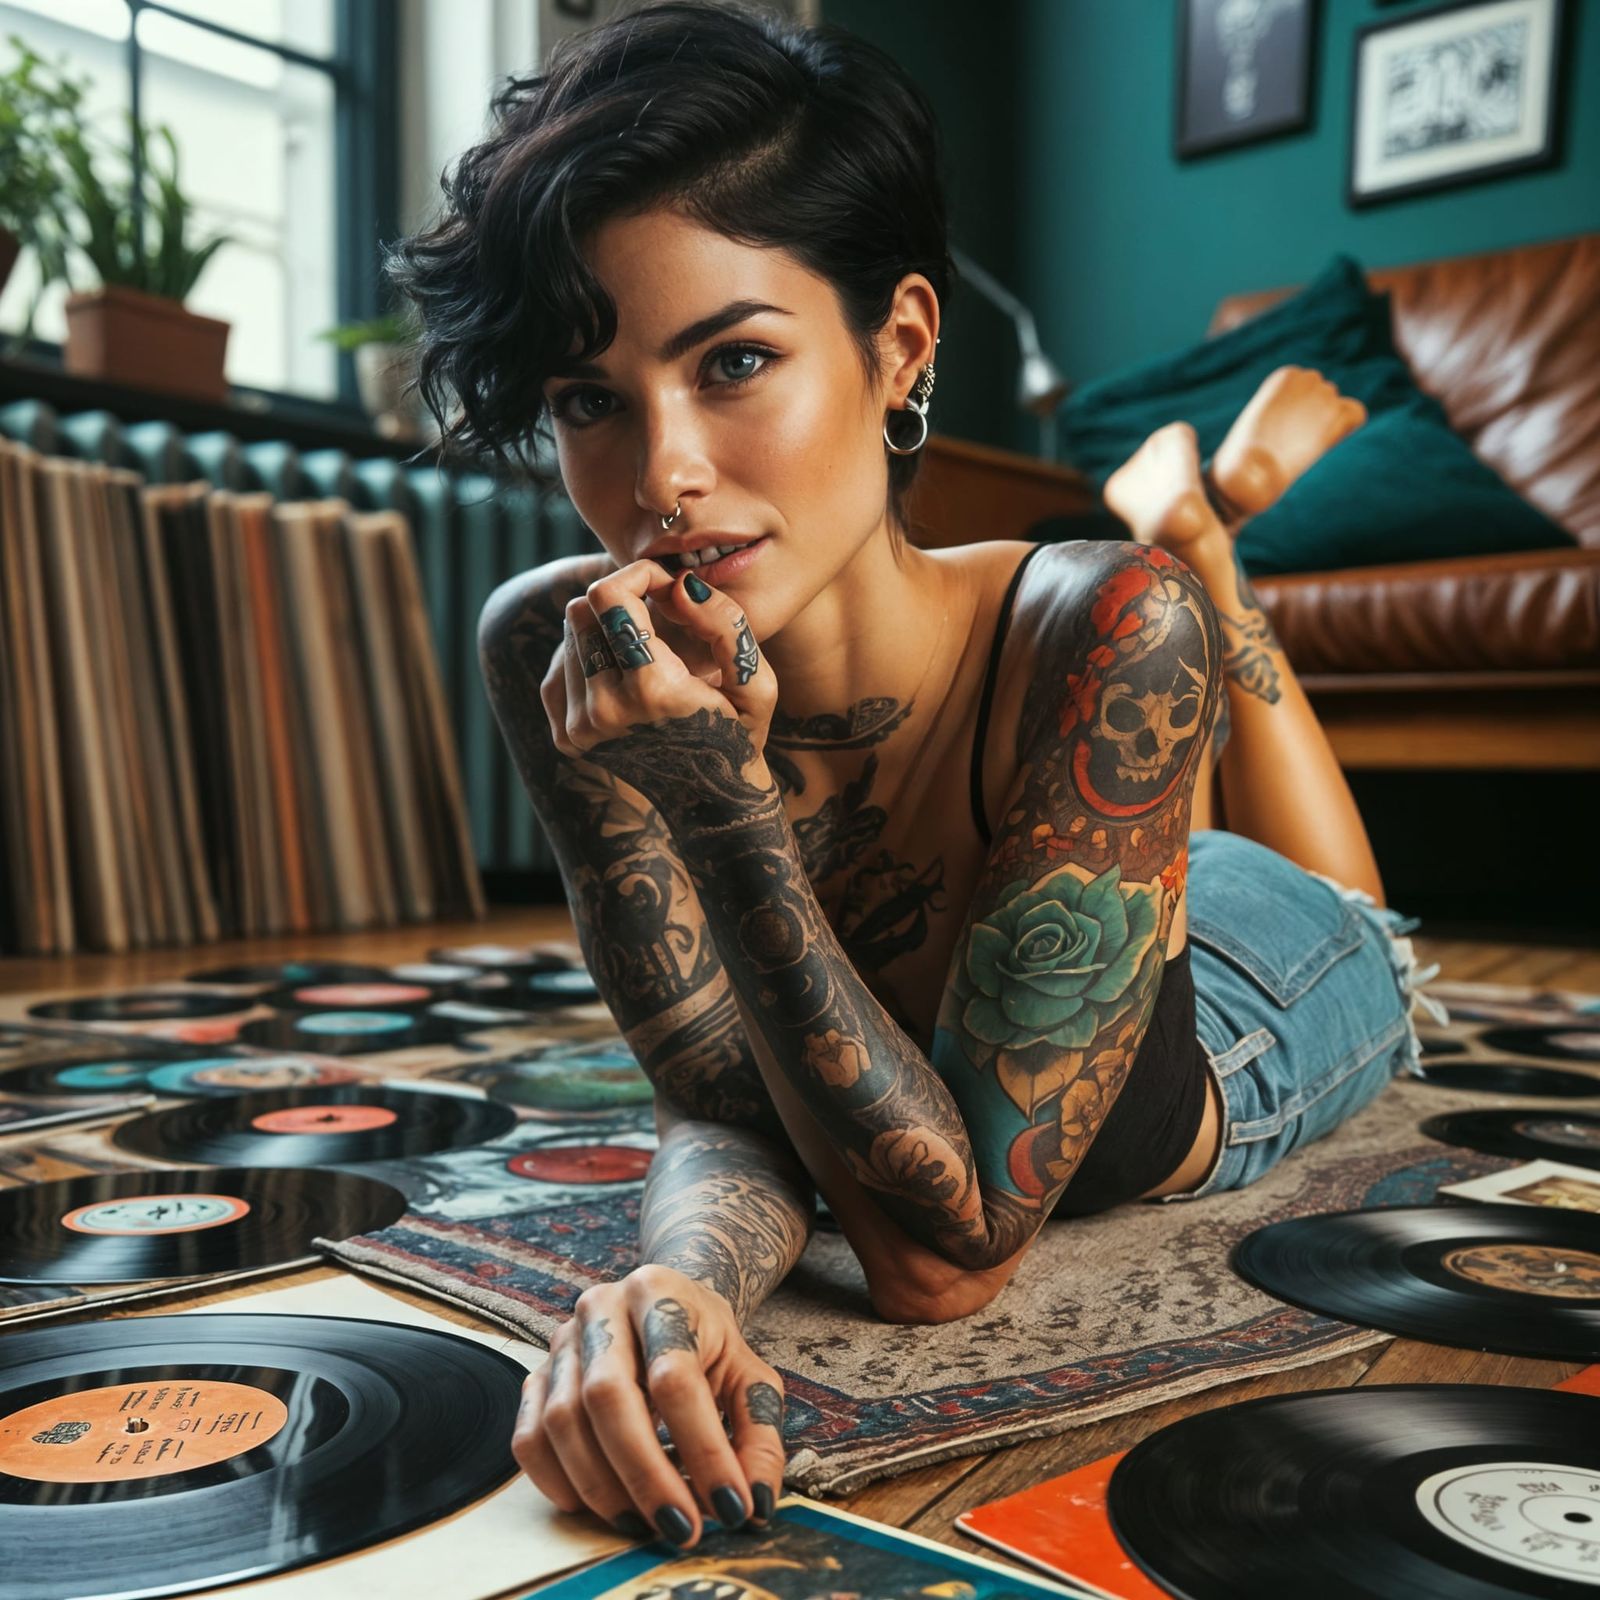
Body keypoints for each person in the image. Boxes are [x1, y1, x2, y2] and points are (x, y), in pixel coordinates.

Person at [389, 0, 1438, 1554]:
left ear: (899, 350)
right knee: (1044, 922)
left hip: (1254, 997)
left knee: (1340, 895)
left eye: (734, 359)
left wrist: (722, 803)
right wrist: (681, 1278)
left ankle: (1215, 555)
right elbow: (724, 1089)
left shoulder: (1104, 624)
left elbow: (940, 1264)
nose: (662, 474)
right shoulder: (558, 644)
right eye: (589, 400)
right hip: (1045, 929)